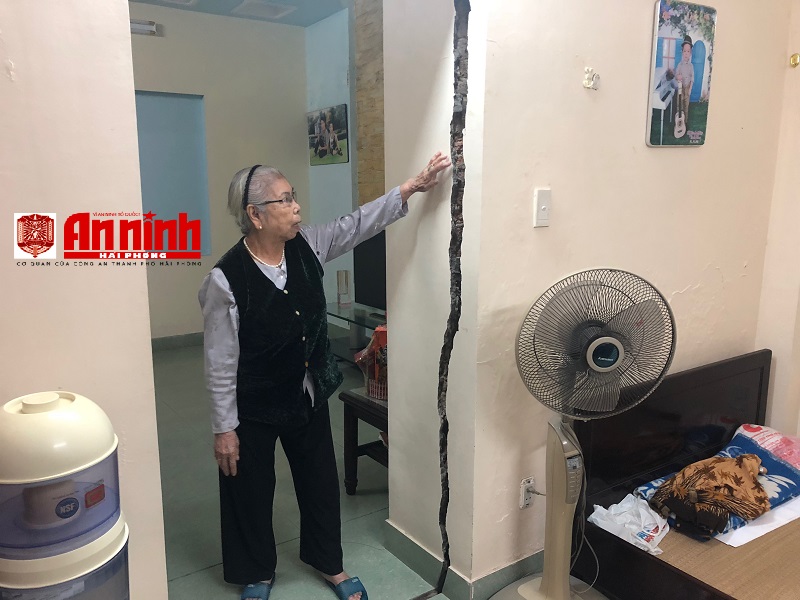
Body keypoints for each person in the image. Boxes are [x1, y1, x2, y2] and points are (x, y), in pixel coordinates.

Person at [198, 151, 451, 600]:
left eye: (293, 196)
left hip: (307, 394)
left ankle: (329, 563)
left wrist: (409, 188)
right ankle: (256, 572)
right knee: (249, 488)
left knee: (319, 483)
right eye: (284, 200)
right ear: (255, 215)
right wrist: (224, 428)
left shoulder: (307, 245)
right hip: (254, 403)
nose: (296, 207)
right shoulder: (226, 279)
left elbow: (355, 225)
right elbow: (219, 361)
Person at [674, 35, 694, 127]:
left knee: (686, 105)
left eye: (688, 51)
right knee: (679, 104)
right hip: (680, 88)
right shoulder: (680, 65)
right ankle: (679, 121)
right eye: (684, 51)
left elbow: (692, 78)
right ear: (682, 52)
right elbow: (676, 74)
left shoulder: (691, 66)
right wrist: (677, 76)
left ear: (690, 53)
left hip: (687, 87)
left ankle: (685, 122)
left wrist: (690, 89)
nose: (686, 54)